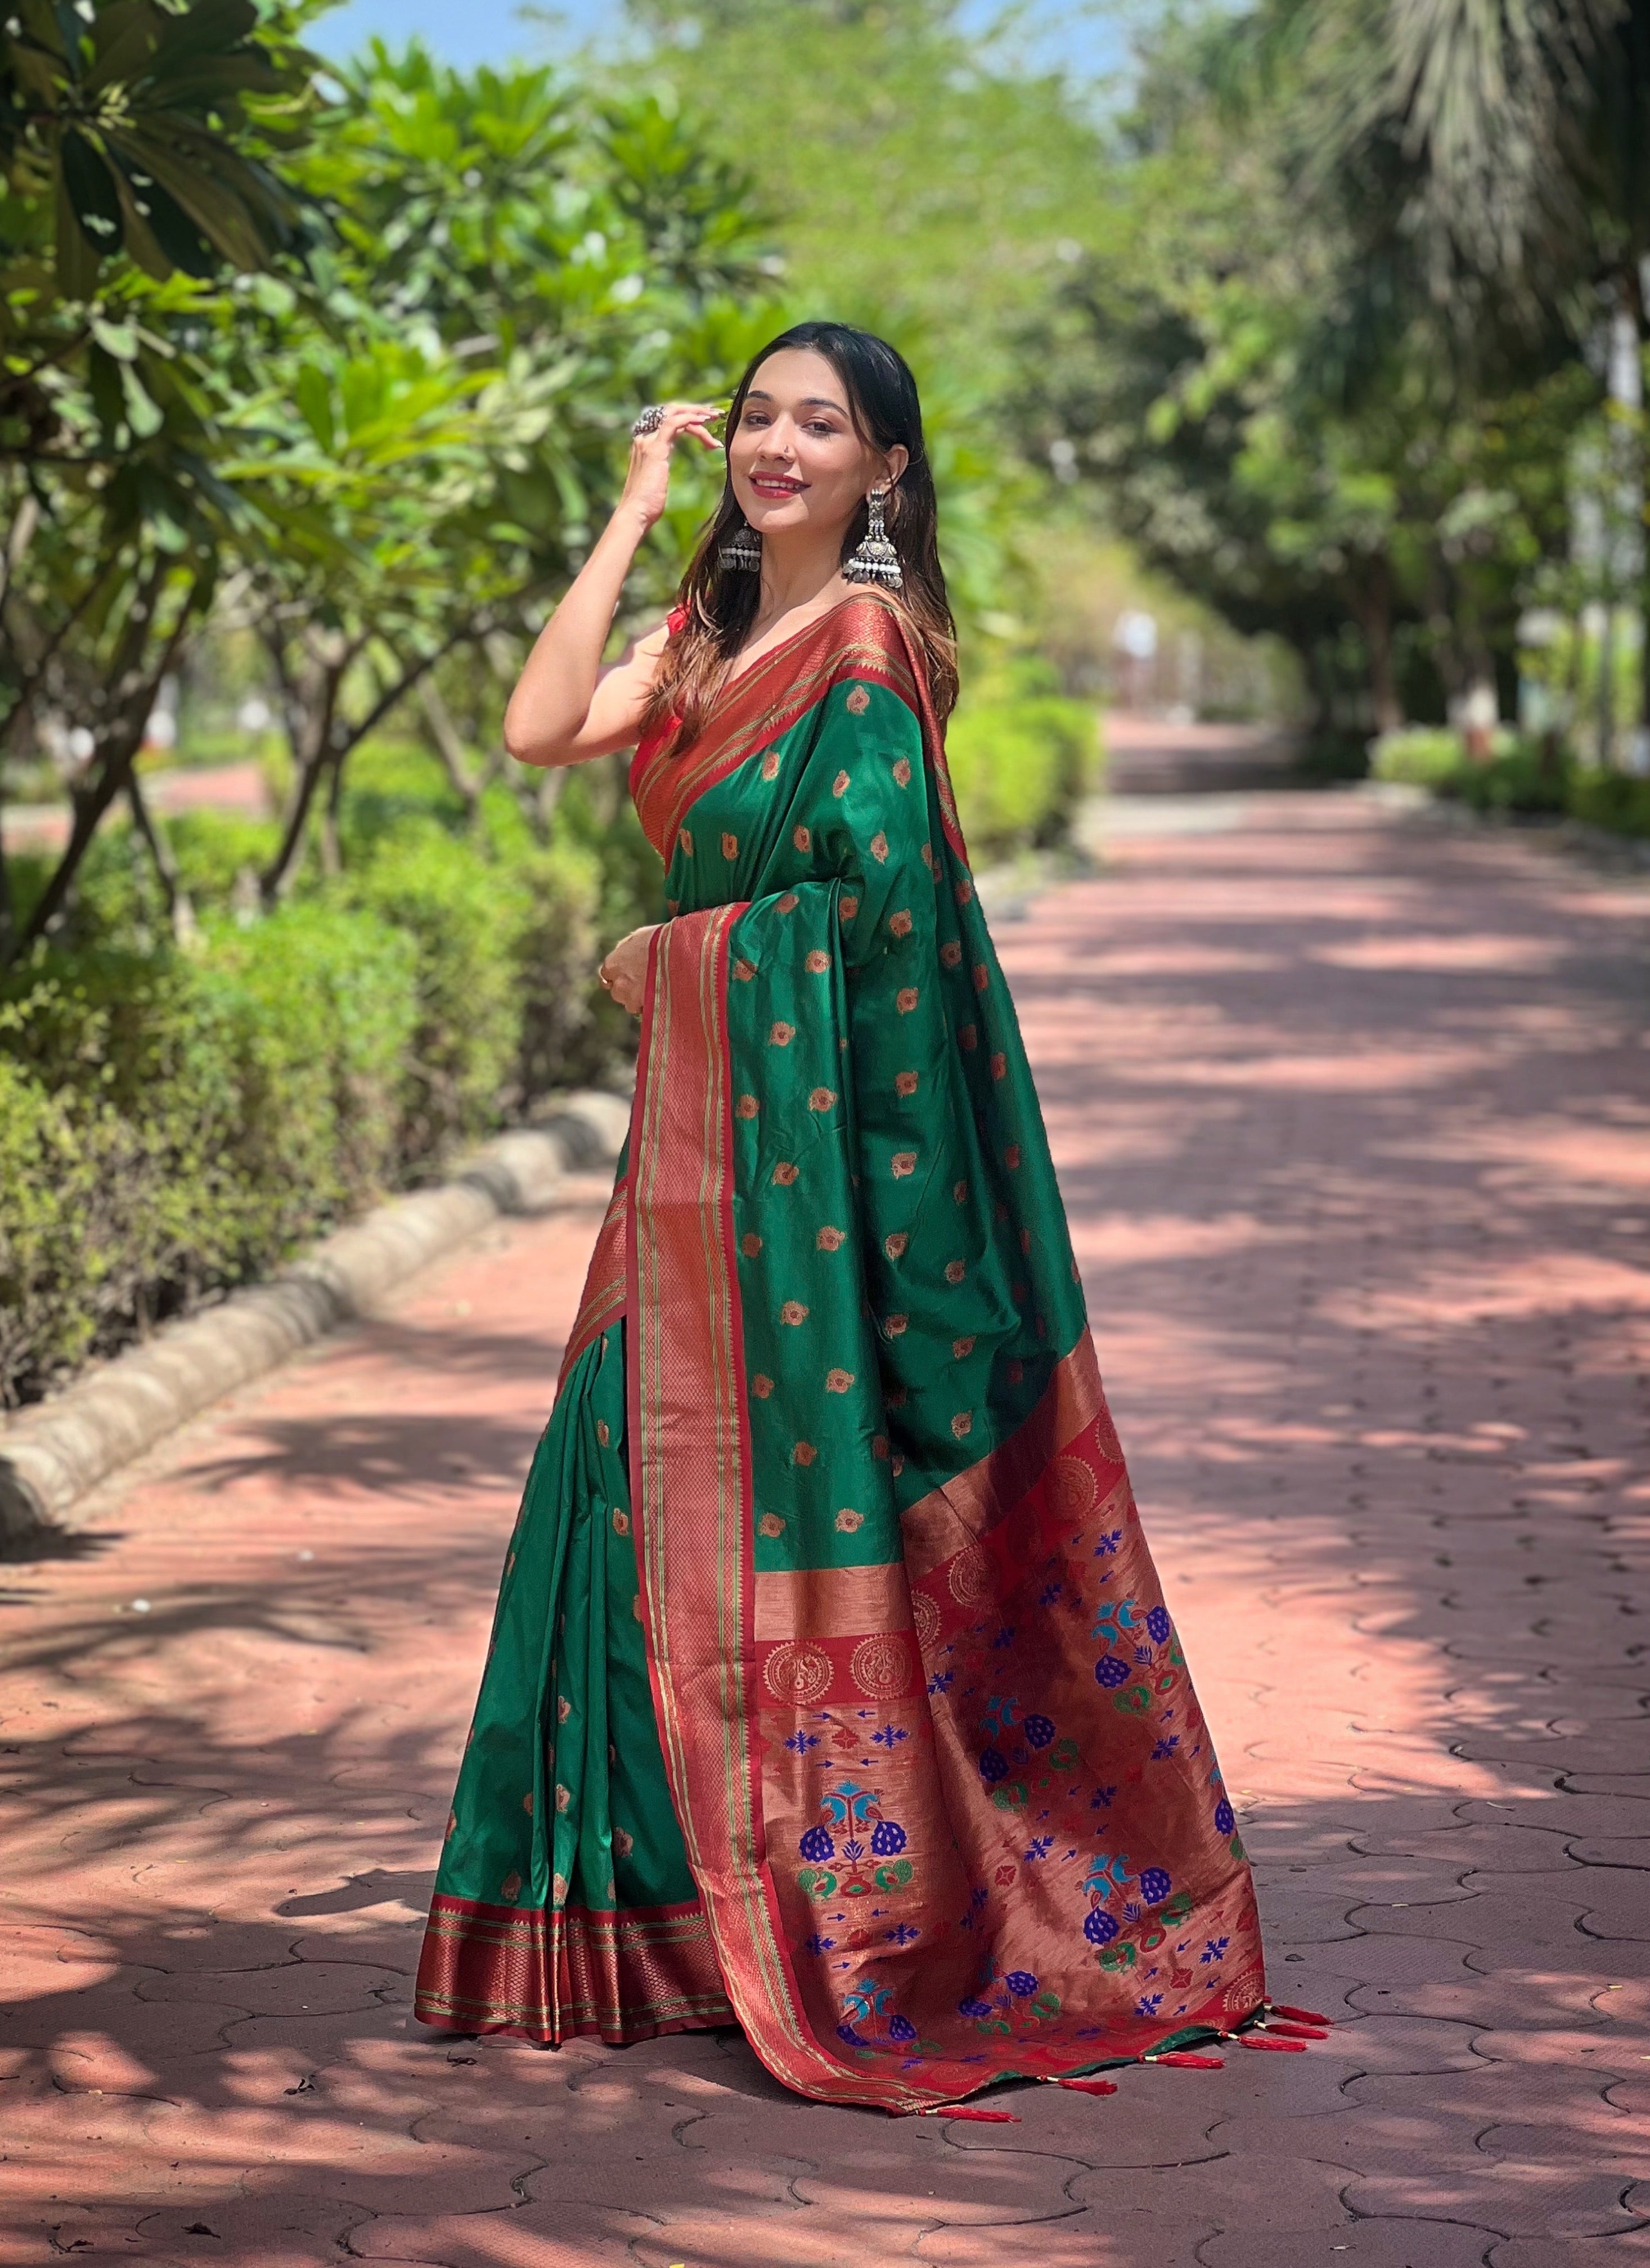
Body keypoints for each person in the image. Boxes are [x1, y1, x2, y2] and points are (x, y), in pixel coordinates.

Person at [413, 321, 1264, 2110]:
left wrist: (699, 960)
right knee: (615, 1468)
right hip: (703, 1160)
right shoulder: (711, 632)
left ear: (887, 469)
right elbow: (537, 726)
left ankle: (825, 1912)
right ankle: (647, 1926)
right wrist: (636, 513)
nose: (775, 446)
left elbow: (884, 933)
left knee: (722, 1490)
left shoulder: (870, 651)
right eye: (754, 419)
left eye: (822, 425)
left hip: (817, 1179)